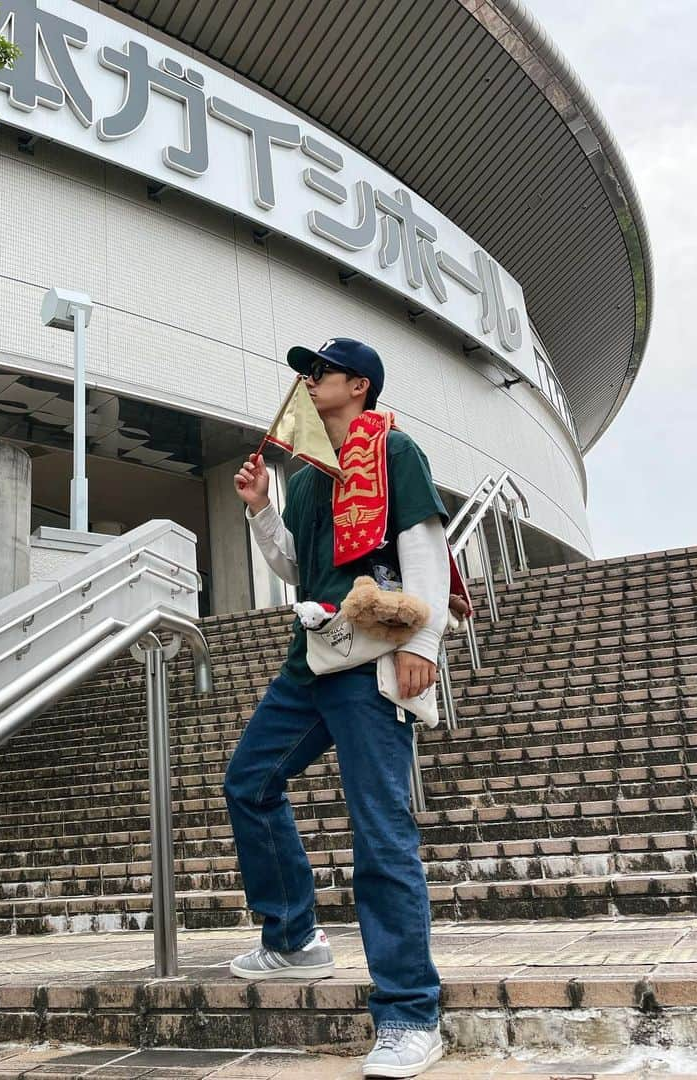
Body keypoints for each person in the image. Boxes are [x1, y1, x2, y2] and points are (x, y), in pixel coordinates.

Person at [226, 338, 450, 1079]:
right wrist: (262, 510)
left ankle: (411, 1013)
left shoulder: (395, 451)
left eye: (317, 372)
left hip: (374, 652)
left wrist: (423, 640)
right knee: (248, 781)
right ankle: (292, 938)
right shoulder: (319, 473)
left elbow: (421, 543)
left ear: (358, 385)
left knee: (380, 829)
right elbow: (297, 563)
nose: (307, 383)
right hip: (314, 652)